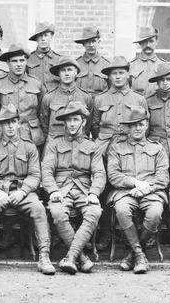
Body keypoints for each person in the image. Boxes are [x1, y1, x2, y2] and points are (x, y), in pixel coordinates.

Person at [0, 106, 55, 275]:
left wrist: (23, 192)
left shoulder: (29, 147)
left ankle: (44, 256)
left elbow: (35, 175)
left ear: (19, 123)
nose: (10, 127)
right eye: (6, 123)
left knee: (38, 209)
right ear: (0, 126)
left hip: (23, 190)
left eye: (13, 122)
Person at [42, 102, 105, 274]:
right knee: (57, 213)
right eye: (68, 120)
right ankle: (82, 257)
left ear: (83, 121)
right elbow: (46, 171)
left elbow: (99, 173)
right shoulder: (54, 144)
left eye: (76, 119)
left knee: (94, 212)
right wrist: (53, 190)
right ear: (64, 123)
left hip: (85, 189)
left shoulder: (93, 146)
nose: (71, 124)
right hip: (61, 189)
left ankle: (70, 257)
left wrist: (94, 193)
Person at [107, 106, 169, 274]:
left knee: (155, 214)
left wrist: (145, 189)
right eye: (133, 125)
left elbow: (163, 178)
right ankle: (140, 255)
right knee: (122, 210)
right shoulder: (116, 148)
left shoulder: (157, 148)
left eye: (140, 124)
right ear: (127, 127)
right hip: (124, 192)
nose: (137, 128)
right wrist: (134, 183)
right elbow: (113, 175)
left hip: (152, 192)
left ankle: (133, 254)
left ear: (147, 125)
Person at [0, 44, 46, 148]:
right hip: (8, 135)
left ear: (26, 61)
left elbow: (43, 113)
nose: (19, 64)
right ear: (8, 63)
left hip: (33, 135)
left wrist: (43, 134)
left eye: (22, 60)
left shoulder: (36, 83)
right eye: (14, 61)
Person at [40, 57, 93, 139]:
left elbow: (88, 124)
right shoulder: (48, 97)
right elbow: (44, 124)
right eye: (63, 70)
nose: (66, 73)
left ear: (76, 72)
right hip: (55, 142)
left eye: (70, 70)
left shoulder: (86, 97)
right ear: (58, 73)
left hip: (78, 143)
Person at [130, 26, 170, 97]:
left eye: (151, 41)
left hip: (158, 104)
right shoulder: (131, 65)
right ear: (140, 43)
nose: (148, 45)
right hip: (137, 105)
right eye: (144, 42)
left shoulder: (164, 65)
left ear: (156, 42)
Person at [73, 26, 111, 97]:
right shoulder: (75, 64)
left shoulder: (107, 65)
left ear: (98, 42)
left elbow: (112, 90)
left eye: (93, 41)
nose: (91, 45)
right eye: (87, 42)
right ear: (83, 44)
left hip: (101, 105)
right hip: (81, 103)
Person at [27, 22, 62, 92]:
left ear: (51, 37)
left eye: (46, 35)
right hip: (35, 99)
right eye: (40, 36)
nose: (43, 39)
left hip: (54, 100)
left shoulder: (59, 60)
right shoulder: (28, 59)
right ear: (36, 38)